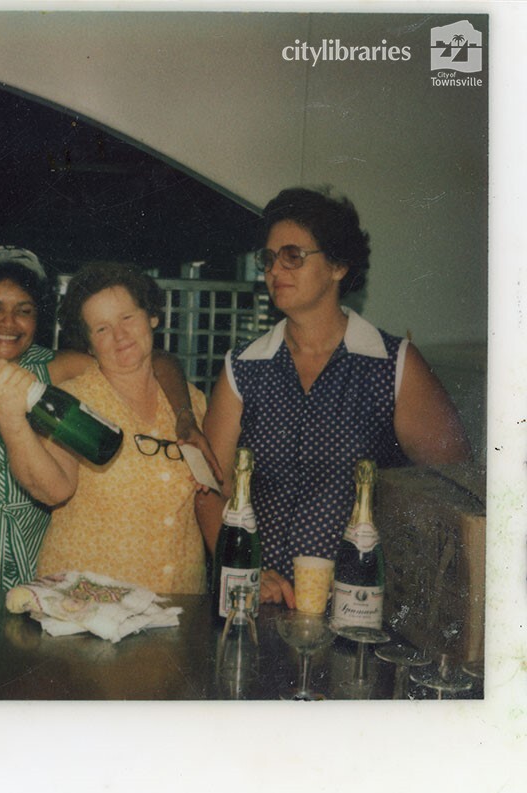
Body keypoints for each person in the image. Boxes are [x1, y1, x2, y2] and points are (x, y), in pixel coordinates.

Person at [194, 187, 471, 608]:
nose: (275, 271)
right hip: (260, 602)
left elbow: (456, 492)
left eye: (292, 255)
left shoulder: (393, 365)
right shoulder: (244, 367)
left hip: (358, 607)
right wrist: (243, 568)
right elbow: (211, 486)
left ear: (339, 265)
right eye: (269, 260)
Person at [0, 247, 219, 592]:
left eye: (24, 311)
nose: (8, 322)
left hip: (23, 548)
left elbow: (148, 361)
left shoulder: (55, 368)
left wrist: (184, 416)